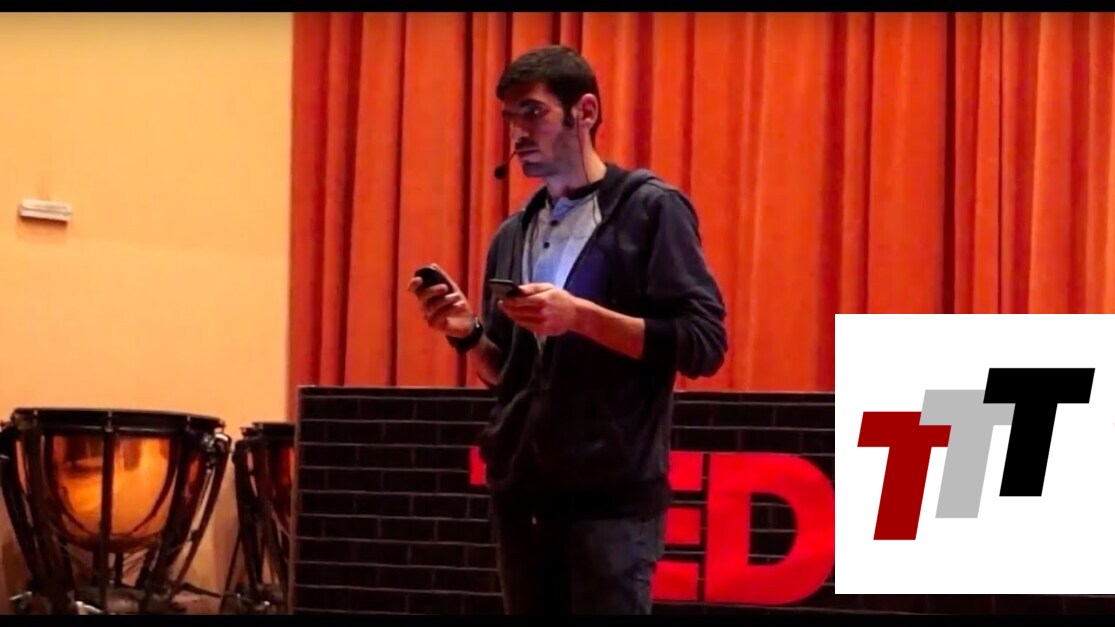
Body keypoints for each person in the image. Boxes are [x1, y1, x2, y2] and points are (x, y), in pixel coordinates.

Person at [407, 44, 728, 615]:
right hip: (522, 494)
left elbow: (703, 344)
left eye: (533, 112)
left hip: (611, 502)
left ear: (585, 111)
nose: (518, 133)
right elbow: (506, 376)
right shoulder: (513, 233)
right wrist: (466, 333)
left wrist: (580, 316)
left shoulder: (649, 210)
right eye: (511, 117)